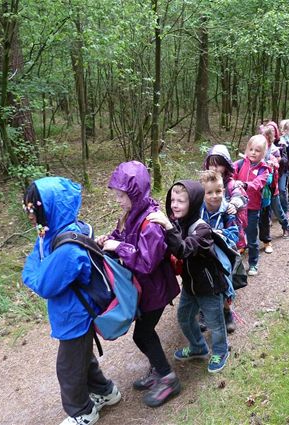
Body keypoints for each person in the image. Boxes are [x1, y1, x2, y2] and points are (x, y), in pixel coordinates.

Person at [22, 177, 121, 425]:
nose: (29, 215)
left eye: (33, 209)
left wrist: (34, 270)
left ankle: (82, 411)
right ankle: (106, 392)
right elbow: (38, 255)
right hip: (72, 311)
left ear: (49, 207)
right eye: (26, 208)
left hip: (74, 315)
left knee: (68, 368)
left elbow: (44, 283)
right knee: (81, 359)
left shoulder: (67, 248)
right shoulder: (61, 230)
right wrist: (39, 265)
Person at [96, 161, 181, 408]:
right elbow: (120, 236)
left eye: (122, 195)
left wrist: (119, 247)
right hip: (143, 290)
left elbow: (146, 261)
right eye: (117, 195)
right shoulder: (130, 215)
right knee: (142, 335)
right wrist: (108, 240)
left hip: (155, 289)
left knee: (143, 334)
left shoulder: (151, 222)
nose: (118, 200)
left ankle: (167, 377)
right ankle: (158, 370)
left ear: (135, 193)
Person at [147, 181, 231, 373]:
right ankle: (198, 347)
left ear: (192, 203)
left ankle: (221, 350)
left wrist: (168, 227)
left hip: (209, 287)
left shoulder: (201, 230)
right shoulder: (178, 223)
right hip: (191, 286)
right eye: (173, 200)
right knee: (184, 317)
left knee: (214, 323)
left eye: (181, 201)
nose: (175, 205)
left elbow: (183, 250)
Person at [199, 169, 239, 333]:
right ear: (203, 194)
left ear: (223, 190)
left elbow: (235, 234)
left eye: (218, 191)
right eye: (209, 192)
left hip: (222, 252)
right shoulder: (198, 209)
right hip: (202, 253)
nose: (214, 196)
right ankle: (203, 312)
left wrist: (219, 234)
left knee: (223, 282)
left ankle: (227, 311)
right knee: (202, 280)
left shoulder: (226, 210)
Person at [233, 135, 270, 276]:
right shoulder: (240, 164)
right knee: (235, 233)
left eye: (258, 150)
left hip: (252, 208)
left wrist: (244, 185)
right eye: (251, 149)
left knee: (252, 237)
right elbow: (230, 173)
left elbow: (258, 184)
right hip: (236, 206)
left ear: (264, 153)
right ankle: (234, 263)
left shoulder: (264, 169)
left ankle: (253, 263)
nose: (253, 152)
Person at [203, 144, 248, 252]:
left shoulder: (231, 184)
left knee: (229, 252)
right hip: (209, 224)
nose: (215, 168)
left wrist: (234, 204)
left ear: (226, 165)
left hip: (228, 226)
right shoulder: (204, 183)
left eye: (219, 165)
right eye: (212, 164)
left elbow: (241, 196)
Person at [258, 122, 289, 253]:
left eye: (264, 137)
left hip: (272, 188)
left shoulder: (274, 150)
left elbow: (277, 163)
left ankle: (286, 226)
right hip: (260, 189)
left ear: (270, 138)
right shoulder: (257, 150)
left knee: (277, 210)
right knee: (261, 213)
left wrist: (272, 163)